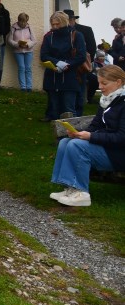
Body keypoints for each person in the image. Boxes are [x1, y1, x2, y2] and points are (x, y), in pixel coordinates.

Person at [49, 65, 125, 207]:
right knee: (66, 142)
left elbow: (122, 137)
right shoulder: (107, 100)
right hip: (109, 148)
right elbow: (95, 125)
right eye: (99, 83)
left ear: (119, 82)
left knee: (77, 146)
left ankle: (81, 193)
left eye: (104, 83)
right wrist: (78, 134)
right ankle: (70, 189)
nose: (100, 87)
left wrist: (90, 137)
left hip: (119, 153)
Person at [40, 10, 87, 121]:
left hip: (70, 76)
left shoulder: (76, 35)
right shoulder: (48, 37)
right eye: (53, 24)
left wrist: (67, 64)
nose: (55, 27)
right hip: (53, 74)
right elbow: (44, 55)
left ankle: (72, 130)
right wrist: (57, 63)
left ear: (64, 22)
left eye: (58, 24)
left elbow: (81, 56)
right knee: (54, 106)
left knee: (68, 108)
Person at [65, 9, 96, 117]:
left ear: (73, 19)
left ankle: (79, 112)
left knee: (80, 89)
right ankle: (69, 111)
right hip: (67, 64)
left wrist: (85, 63)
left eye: (68, 19)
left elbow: (92, 48)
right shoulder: (63, 31)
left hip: (81, 64)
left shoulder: (85, 30)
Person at [8, 12, 36, 92]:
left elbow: (34, 40)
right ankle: (23, 87)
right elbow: (9, 40)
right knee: (21, 68)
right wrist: (17, 44)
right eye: (21, 21)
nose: (23, 23)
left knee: (28, 68)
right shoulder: (14, 27)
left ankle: (29, 87)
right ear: (18, 20)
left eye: (25, 21)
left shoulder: (29, 27)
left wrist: (28, 45)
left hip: (28, 51)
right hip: (18, 51)